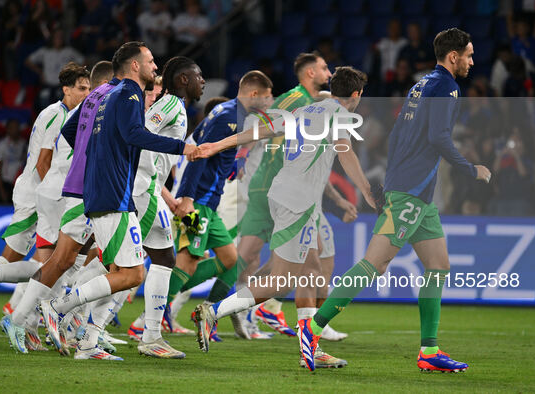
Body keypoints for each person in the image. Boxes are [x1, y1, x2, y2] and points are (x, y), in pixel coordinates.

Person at [296, 28, 491, 372]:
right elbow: (439, 137)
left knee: (439, 266)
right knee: (375, 264)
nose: (472, 62)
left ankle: (429, 352)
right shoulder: (446, 87)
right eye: (469, 55)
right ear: (453, 56)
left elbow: (399, 131)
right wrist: (470, 169)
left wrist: (390, 180)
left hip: (418, 194)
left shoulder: (420, 85)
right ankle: (311, 330)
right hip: (411, 191)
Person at [189, 67, 374, 362]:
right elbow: (346, 151)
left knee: (310, 269)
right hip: (297, 203)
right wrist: (365, 189)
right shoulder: (338, 115)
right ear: (356, 95)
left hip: (287, 197)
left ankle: (309, 347)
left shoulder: (306, 110)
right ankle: (213, 312)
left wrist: (218, 145)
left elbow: (259, 132)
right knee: (283, 280)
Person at [38, 41, 200, 359]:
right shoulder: (129, 93)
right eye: (151, 61)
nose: (157, 66)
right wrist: (182, 149)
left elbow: (76, 133)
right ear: (135, 66)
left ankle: (87, 341)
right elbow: (135, 135)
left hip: (113, 190)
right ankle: (58, 307)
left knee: (121, 269)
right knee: (130, 272)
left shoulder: (109, 94)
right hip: (121, 191)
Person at [0, 63, 91, 334]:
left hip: (45, 194)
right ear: (66, 89)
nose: (86, 94)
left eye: (88, 89)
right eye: (81, 88)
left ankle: (25, 319)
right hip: (38, 195)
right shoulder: (56, 115)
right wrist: (61, 200)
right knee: (23, 261)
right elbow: (43, 163)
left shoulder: (69, 115)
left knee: (47, 263)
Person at [161, 71, 273, 341]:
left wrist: (231, 166)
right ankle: (152, 315)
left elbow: (198, 139)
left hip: (209, 201)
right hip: (198, 201)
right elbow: (199, 152)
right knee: (188, 262)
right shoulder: (228, 116)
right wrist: (187, 197)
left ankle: (206, 311)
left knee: (231, 261)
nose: (270, 103)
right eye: (268, 97)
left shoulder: (229, 113)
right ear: (255, 94)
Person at [126, 56, 205, 359]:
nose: (203, 82)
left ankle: (151, 334)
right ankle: (70, 314)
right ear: (183, 80)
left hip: (150, 188)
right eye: (199, 76)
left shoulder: (176, 108)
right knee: (122, 266)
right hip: (143, 187)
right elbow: (139, 137)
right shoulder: (171, 105)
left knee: (162, 258)